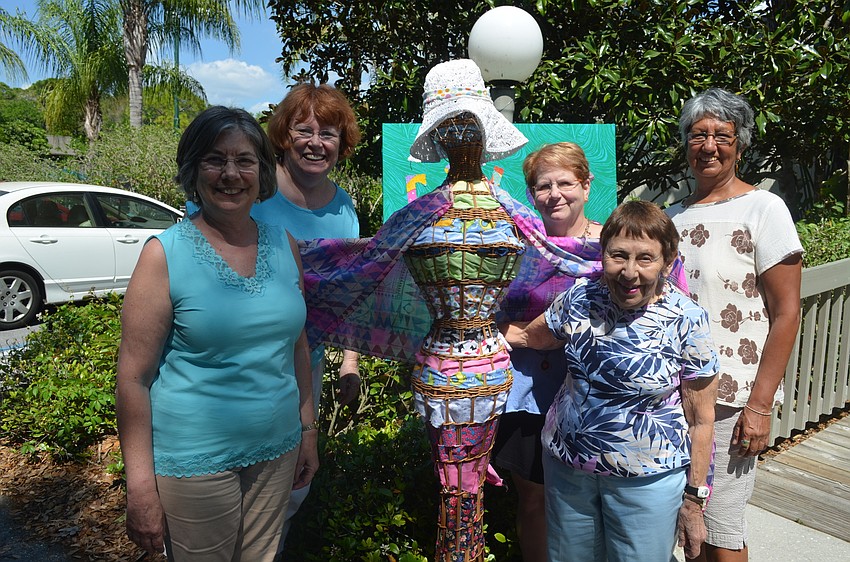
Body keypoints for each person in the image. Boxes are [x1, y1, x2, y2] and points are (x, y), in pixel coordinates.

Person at [116, 106, 318, 561]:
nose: (230, 174)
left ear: (262, 172)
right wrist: (140, 485)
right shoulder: (163, 255)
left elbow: (298, 346)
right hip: (194, 462)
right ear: (193, 170)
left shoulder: (283, 244)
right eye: (215, 160)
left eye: (244, 160)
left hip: (278, 450)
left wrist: (308, 430)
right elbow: (133, 379)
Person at [502, 200, 720, 562]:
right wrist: (463, 329)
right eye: (618, 256)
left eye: (645, 258)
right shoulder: (580, 298)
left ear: (668, 261)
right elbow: (531, 336)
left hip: (647, 480)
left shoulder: (687, 319)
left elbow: (701, 420)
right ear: (602, 254)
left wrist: (695, 500)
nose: (629, 272)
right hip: (568, 469)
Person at [665, 88, 804, 562]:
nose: (709, 146)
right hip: (670, 396)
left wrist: (760, 405)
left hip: (731, 398)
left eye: (722, 136)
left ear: (739, 145)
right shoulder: (671, 219)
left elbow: (787, 312)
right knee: (685, 527)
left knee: (722, 529)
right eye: (698, 135)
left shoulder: (763, 209)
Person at [491, 142, 603, 562]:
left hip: (595, 398)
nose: (555, 194)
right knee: (534, 499)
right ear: (531, 194)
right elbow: (485, 309)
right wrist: (521, 334)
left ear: (586, 186)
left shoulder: (612, 247)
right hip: (528, 397)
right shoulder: (516, 247)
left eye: (565, 183)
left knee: (592, 500)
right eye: (543, 186)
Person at [263, 83, 363, 540]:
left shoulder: (344, 209)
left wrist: (350, 361)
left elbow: (348, 292)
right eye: (304, 130)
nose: (316, 143)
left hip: (309, 363)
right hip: (246, 358)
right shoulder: (254, 189)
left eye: (329, 134)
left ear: (342, 144)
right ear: (284, 136)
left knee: (292, 482)